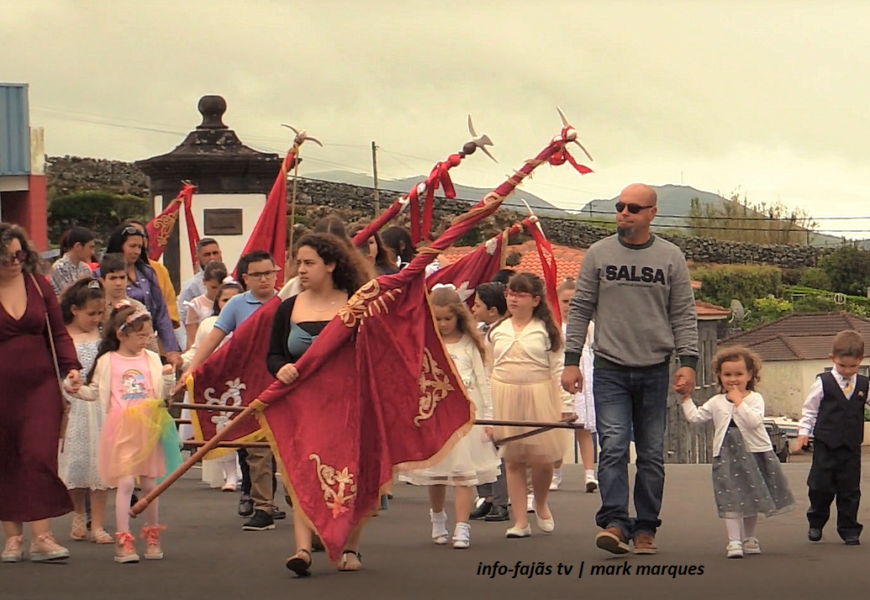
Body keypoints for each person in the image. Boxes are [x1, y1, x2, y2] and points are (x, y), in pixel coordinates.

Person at [561, 183, 699, 556]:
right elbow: (580, 307)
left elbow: (683, 314)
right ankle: (615, 522)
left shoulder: (670, 257)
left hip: (655, 368)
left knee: (652, 453)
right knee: (614, 446)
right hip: (610, 367)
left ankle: (646, 527)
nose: (624, 213)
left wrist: (688, 362)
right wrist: (571, 360)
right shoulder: (598, 254)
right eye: (620, 206)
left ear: (652, 213)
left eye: (633, 208)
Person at [267, 233, 372, 575]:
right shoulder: (288, 307)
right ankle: (301, 549)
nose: (301, 269)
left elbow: (372, 354)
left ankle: (349, 548)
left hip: (346, 403)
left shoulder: (355, 305)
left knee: (350, 473)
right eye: (299, 262)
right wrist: (280, 367)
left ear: (330, 265)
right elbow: (274, 354)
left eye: (309, 263)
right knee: (302, 472)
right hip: (302, 404)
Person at [69, 302, 181, 563]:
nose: (146, 339)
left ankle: (152, 535)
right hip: (121, 428)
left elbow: (163, 393)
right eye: (140, 335)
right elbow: (94, 391)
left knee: (151, 484)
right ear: (121, 335)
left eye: (148, 334)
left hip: (149, 425)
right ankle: (123, 539)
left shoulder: (152, 359)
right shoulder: (108, 361)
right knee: (127, 481)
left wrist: (167, 377)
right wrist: (74, 388)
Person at [182, 250, 284, 531]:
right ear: (245, 278)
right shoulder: (237, 304)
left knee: (290, 447)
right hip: (251, 385)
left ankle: (299, 501)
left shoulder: (287, 300)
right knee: (257, 450)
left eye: (269, 272)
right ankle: (263, 506)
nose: (265, 279)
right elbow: (214, 338)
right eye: (257, 274)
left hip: (285, 380)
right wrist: (191, 371)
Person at [0, 223, 83, 564]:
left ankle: (42, 536)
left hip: (40, 386)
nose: (15, 261)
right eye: (6, 257)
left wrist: (71, 368)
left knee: (38, 455)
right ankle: (13, 538)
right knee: (6, 458)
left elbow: (59, 333)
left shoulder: (39, 284)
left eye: (20, 254)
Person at [400, 286, 501, 549]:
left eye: (448, 319)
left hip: (468, 416)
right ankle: (437, 518)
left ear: (459, 316)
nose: (443, 324)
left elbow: (483, 382)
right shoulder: (426, 345)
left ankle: (462, 526)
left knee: (463, 474)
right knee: (437, 473)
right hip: (436, 414)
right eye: (438, 319)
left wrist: (489, 418)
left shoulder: (470, 344)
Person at [679, 346, 795, 558]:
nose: (733, 379)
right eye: (727, 375)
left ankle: (749, 538)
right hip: (726, 455)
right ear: (720, 376)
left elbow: (754, 422)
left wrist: (739, 401)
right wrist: (686, 399)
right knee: (730, 495)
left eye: (739, 374)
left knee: (751, 495)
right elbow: (696, 417)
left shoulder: (755, 399)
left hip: (754, 452)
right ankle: (734, 542)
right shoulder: (716, 402)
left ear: (750, 375)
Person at [487, 273, 568, 538]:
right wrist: (487, 414)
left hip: (539, 396)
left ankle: (541, 502)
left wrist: (565, 405)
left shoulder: (546, 330)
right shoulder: (496, 330)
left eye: (520, 294)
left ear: (535, 300)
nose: (513, 299)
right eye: (510, 293)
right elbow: (488, 371)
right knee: (513, 460)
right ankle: (520, 521)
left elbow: (558, 369)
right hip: (505, 396)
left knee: (542, 460)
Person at [796, 330, 870, 545]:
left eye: (853, 367)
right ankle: (816, 521)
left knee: (850, 490)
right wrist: (803, 434)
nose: (847, 371)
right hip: (826, 445)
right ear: (832, 359)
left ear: (861, 361)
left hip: (851, 447)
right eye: (842, 366)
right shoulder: (823, 383)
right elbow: (809, 411)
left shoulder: (864, 385)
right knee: (820, 487)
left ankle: (849, 529)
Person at [57, 278, 113, 545]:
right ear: (74, 309)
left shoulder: (103, 337)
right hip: (74, 408)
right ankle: (78, 514)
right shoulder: (63, 336)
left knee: (100, 468)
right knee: (76, 466)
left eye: (100, 313)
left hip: (100, 407)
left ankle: (99, 524)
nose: (96, 318)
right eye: (91, 313)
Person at [180, 280, 243, 490]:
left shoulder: (250, 321)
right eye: (225, 299)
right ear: (218, 302)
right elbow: (197, 351)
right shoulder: (209, 325)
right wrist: (180, 362)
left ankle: (246, 476)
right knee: (221, 429)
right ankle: (231, 475)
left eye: (234, 299)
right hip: (216, 386)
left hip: (243, 381)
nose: (229, 304)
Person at [101, 225, 182, 369]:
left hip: (145, 341)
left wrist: (171, 349)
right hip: (113, 347)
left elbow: (161, 313)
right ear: (119, 245)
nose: (136, 251)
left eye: (140, 247)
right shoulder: (101, 274)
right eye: (132, 246)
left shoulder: (148, 272)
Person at [468, 281, 510, 522]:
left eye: (478, 305)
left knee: (497, 449)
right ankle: (487, 497)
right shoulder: (481, 330)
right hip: (480, 393)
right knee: (479, 447)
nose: (473, 309)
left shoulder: (501, 334)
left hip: (497, 391)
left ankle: (502, 501)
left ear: (492, 310)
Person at [554, 278, 598, 493]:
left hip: (584, 374)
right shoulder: (553, 326)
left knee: (583, 428)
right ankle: (555, 472)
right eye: (564, 301)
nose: (568, 306)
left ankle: (589, 473)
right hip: (559, 374)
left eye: (573, 301)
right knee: (557, 427)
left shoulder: (588, 326)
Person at [177, 238, 223, 334]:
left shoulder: (232, 282)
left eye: (215, 253)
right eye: (207, 255)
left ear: (220, 254)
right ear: (198, 258)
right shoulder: (191, 286)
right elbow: (180, 319)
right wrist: (186, 345)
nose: (212, 257)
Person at [183, 261, 227, 351]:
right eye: (214, 287)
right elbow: (191, 340)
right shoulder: (196, 304)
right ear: (204, 282)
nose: (218, 291)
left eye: (221, 287)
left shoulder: (232, 301)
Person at [49, 226, 96, 297]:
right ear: (78, 246)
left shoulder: (85, 268)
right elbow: (70, 297)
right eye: (90, 247)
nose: (92, 252)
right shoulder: (59, 268)